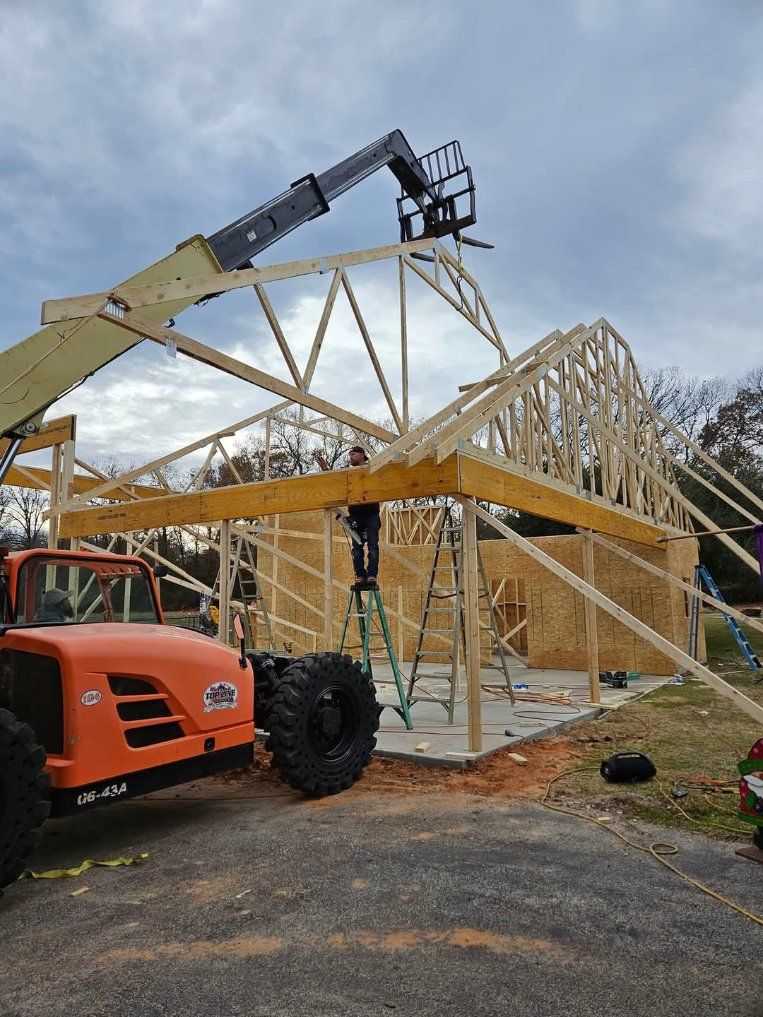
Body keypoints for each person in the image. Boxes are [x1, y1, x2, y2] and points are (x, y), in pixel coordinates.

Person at [314, 445, 381, 588]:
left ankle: (371, 575)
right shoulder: (348, 473)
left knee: (373, 546)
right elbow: (335, 482)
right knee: (357, 547)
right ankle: (360, 575)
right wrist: (325, 469)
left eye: (353, 454)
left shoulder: (372, 469)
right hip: (356, 514)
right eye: (349, 455)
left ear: (362, 455)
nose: (350, 457)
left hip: (371, 514)